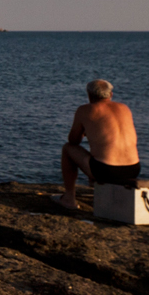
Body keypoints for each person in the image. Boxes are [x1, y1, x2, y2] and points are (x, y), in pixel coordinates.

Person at [57, 80, 142, 211]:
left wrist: (84, 132)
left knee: (68, 149)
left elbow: (73, 141)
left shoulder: (85, 110)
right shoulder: (124, 108)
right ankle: (97, 185)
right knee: (102, 152)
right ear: (111, 94)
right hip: (133, 169)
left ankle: (69, 198)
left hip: (106, 171)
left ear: (89, 95)